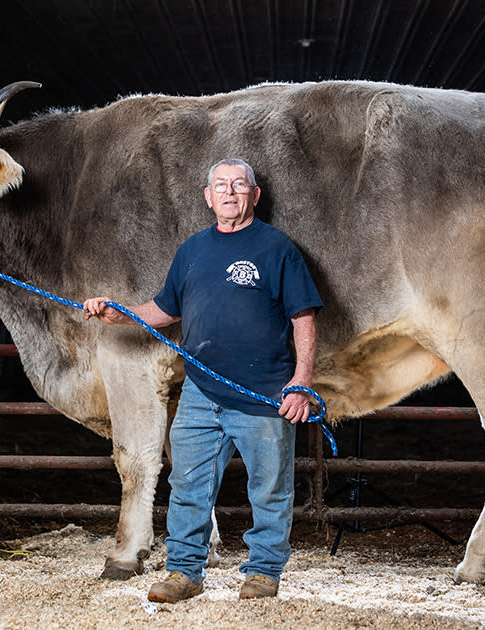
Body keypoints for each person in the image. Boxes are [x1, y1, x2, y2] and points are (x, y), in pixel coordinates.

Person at [83, 158, 322, 602]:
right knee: (188, 486)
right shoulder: (192, 250)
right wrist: (119, 313)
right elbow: (164, 310)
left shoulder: (276, 248)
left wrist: (301, 381)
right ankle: (184, 573)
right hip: (200, 393)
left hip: (263, 395)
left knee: (269, 490)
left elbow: (302, 316)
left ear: (255, 195)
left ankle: (263, 573)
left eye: (238, 185)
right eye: (220, 186)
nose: (229, 193)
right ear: (209, 197)